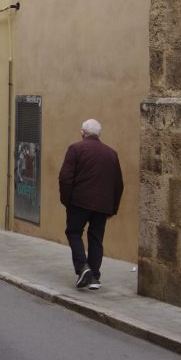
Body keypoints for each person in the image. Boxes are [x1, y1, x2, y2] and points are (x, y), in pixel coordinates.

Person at [58, 119, 123, 290]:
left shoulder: (76, 149)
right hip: (103, 205)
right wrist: (113, 208)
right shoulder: (111, 153)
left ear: (82, 133)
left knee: (73, 232)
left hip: (79, 202)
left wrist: (67, 200)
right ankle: (94, 276)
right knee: (96, 238)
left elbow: (65, 178)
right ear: (98, 134)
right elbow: (118, 184)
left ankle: (82, 267)